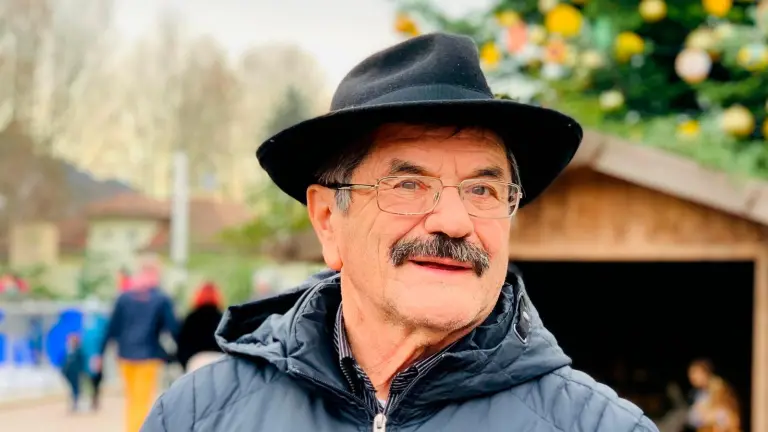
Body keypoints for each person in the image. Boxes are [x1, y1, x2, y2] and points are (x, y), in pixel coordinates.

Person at [142, 33, 657, 431]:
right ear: (328, 220)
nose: (455, 223)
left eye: (482, 190)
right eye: (409, 185)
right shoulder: (197, 416)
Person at [97, 254, 179, 432]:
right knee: (142, 401)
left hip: (125, 356)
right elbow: (173, 328)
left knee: (132, 400)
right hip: (149, 356)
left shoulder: (124, 297)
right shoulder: (162, 299)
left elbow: (111, 328)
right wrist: (180, 353)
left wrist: (100, 354)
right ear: (156, 273)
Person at [176, 282, 224, 372]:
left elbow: (182, 346)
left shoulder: (190, 319)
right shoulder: (223, 318)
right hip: (220, 360)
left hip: (196, 361)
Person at [687, 359, 741, 432]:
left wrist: (709, 416)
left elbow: (727, 414)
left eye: (694, 373)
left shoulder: (718, 387)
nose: (692, 377)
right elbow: (694, 417)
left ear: (705, 373)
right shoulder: (698, 393)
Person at [81, 297, 109, 411]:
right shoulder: (85, 321)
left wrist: (98, 354)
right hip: (87, 354)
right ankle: (90, 397)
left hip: (96, 354)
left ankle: (94, 398)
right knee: (87, 377)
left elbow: (103, 338)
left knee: (96, 377)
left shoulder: (100, 321)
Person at [60, 333, 86, 413]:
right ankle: (74, 403)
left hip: (76, 373)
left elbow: (81, 362)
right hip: (69, 374)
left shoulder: (78, 351)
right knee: (72, 389)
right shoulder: (68, 352)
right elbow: (64, 363)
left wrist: (82, 372)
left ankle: (76, 403)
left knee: (76, 388)